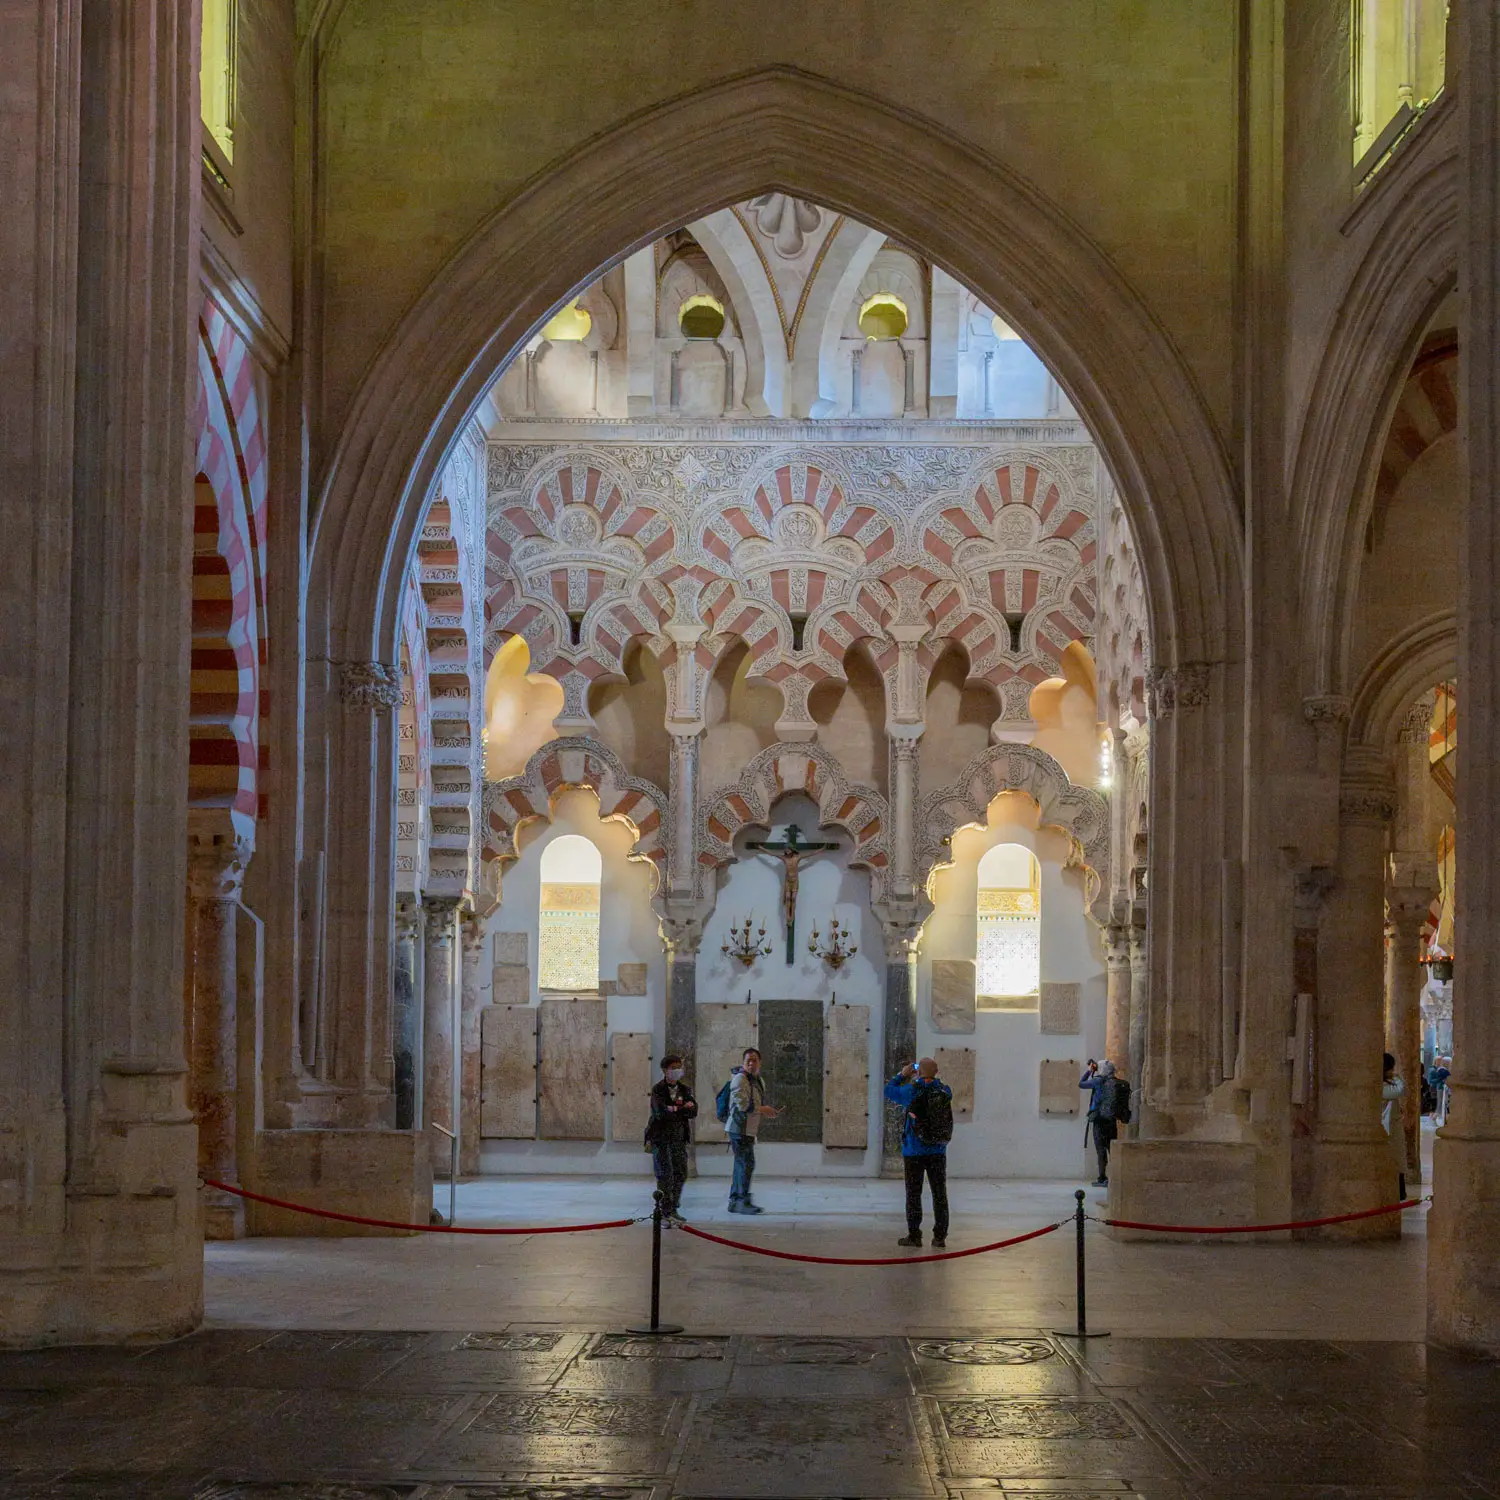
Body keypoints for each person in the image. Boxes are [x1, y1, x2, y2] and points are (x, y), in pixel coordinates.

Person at [884, 1058, 953, 1248]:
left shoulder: (911, 1091)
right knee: (939, 1193)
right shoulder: (945, 1091)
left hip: (914, 1151)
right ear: (936, 1072)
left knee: (914, 1194)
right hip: (938, 1150)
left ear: (918, 1072)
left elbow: (889, 1090)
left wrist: (903, 1074)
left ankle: (914, 1236)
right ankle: (940, 1236)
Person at [644, 1053, 696, 1225]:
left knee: (680, 1173)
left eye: (679, 1067)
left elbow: (693, 1111)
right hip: (660, 1138)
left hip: (678, 1138)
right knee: (664, 1175)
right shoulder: (658, 1090)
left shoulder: (684, 1089)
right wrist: (681, 1109)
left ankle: (673, 1208)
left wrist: (673, 1109)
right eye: (673, 1068)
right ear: (665, 1070)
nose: (677, 1070)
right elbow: (660, 1113)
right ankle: (664, 1212)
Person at [725, 1047, 779, 1214]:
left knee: (742, 1164)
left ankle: (736, 1200)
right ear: (743, 1063)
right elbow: (743, 1106)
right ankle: (741, 1201)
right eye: (748, 1061)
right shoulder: (739, 1079)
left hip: (748, 1129)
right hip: (738, 1129)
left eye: (754, 1060)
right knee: (746, 1164)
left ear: (759, 1062)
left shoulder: (757, 1080)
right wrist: (764, 1109)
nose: (751, 1063)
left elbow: (755, 1104)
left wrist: (766, 1111)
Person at [1080, 1059, 1128, 1188]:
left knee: (1101, 1150)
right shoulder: (1117, 1083)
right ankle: (1117, 1177)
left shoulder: (1098, 1081)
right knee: (1112, 1148)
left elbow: (1081, 1084)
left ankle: (1102, 1178)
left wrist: (1089, 1071)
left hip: (1099, 1120)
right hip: (1111, 1120)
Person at [1382, 1051, 1408, 1199]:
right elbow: (1400, 1090)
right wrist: (1397, 1076)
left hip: (1392, 1127)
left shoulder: (1386, 1084)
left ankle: (1400, 1191)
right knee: (1394, 1161)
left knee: (1398, 1161)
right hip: (1388, 1129)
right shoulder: (1381, 1086)